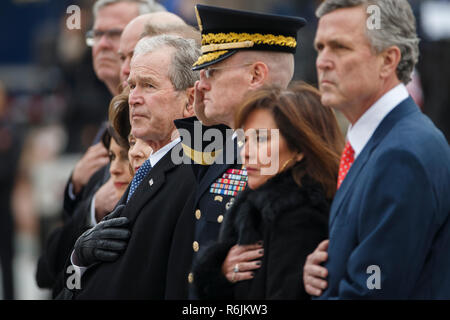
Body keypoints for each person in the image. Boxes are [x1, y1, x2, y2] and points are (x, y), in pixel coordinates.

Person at [303, 0, 450, 299]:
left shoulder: (402, 154)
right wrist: (322, 273)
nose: (323, 62)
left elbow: (372, 291)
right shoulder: (381, 141)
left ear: (388, 60)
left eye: (340, 47)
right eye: (320, 48)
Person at [169, 4, 307, 299]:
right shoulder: (228, 142)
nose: (200, 84)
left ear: (256, 75)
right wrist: (217, 272)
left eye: (212, 71)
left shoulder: (289, 148)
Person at [66, 35, 200, 299]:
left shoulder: (193, 172)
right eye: (132, 85)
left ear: (190, 100)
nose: (133, 98)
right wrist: (78, 260)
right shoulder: (152, 166)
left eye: (149, 86)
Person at [192, 83, 343, 300]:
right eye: (245, 139)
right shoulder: (255, 205)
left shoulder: (297, 215)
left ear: (299, 147)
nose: (246, 152)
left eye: (261, 139)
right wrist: (220, 272)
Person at [63, 0, 165, 220]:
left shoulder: (161, 130)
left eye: (115, 34)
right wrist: (76, 185)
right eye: (97, 35)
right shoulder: (106, 118)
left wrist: (93, 206)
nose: (102, 44)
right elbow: (63, 237)